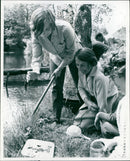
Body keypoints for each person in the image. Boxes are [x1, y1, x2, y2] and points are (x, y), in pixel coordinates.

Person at [26, 8, 82, 123]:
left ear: (52, 23)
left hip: (74, 54)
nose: (43, 33)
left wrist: (60, 68)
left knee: (80, 85)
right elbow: (37, 56)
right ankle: (56, 118)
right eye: (41, 30)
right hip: (55, 56)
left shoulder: (65, 28)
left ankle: (84, 114)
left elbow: (70, 54)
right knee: (56, 87)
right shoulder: (37, 33)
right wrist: (35, 71)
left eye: (46, 29)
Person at [73, 47, 120, 135]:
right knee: (77, 121)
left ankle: (105, 126)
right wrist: (88, 102)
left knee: (84, 126)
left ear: (90, 64)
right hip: (94, 99)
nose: (79, 68)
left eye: (82, 65)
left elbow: (103, 106)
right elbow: (80, 88)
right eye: (77, 64)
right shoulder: (81, 70)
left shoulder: (100, 77)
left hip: (108, 101)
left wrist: (99, 118)